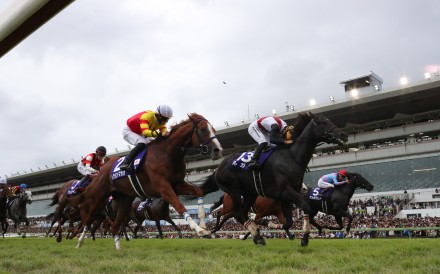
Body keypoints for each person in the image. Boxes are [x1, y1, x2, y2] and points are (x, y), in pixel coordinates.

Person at [120, 104, 173, 171]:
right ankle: (126, 162)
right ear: (157, 115)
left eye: (167, 119)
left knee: (153, 144)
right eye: (164, 118)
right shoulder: (146, 116)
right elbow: (145, 132)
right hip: (129, 131)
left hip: (140, 133)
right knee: (142, 143)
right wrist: (160, 134)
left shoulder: (161, 123)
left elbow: (164, 133)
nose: (165, 121)